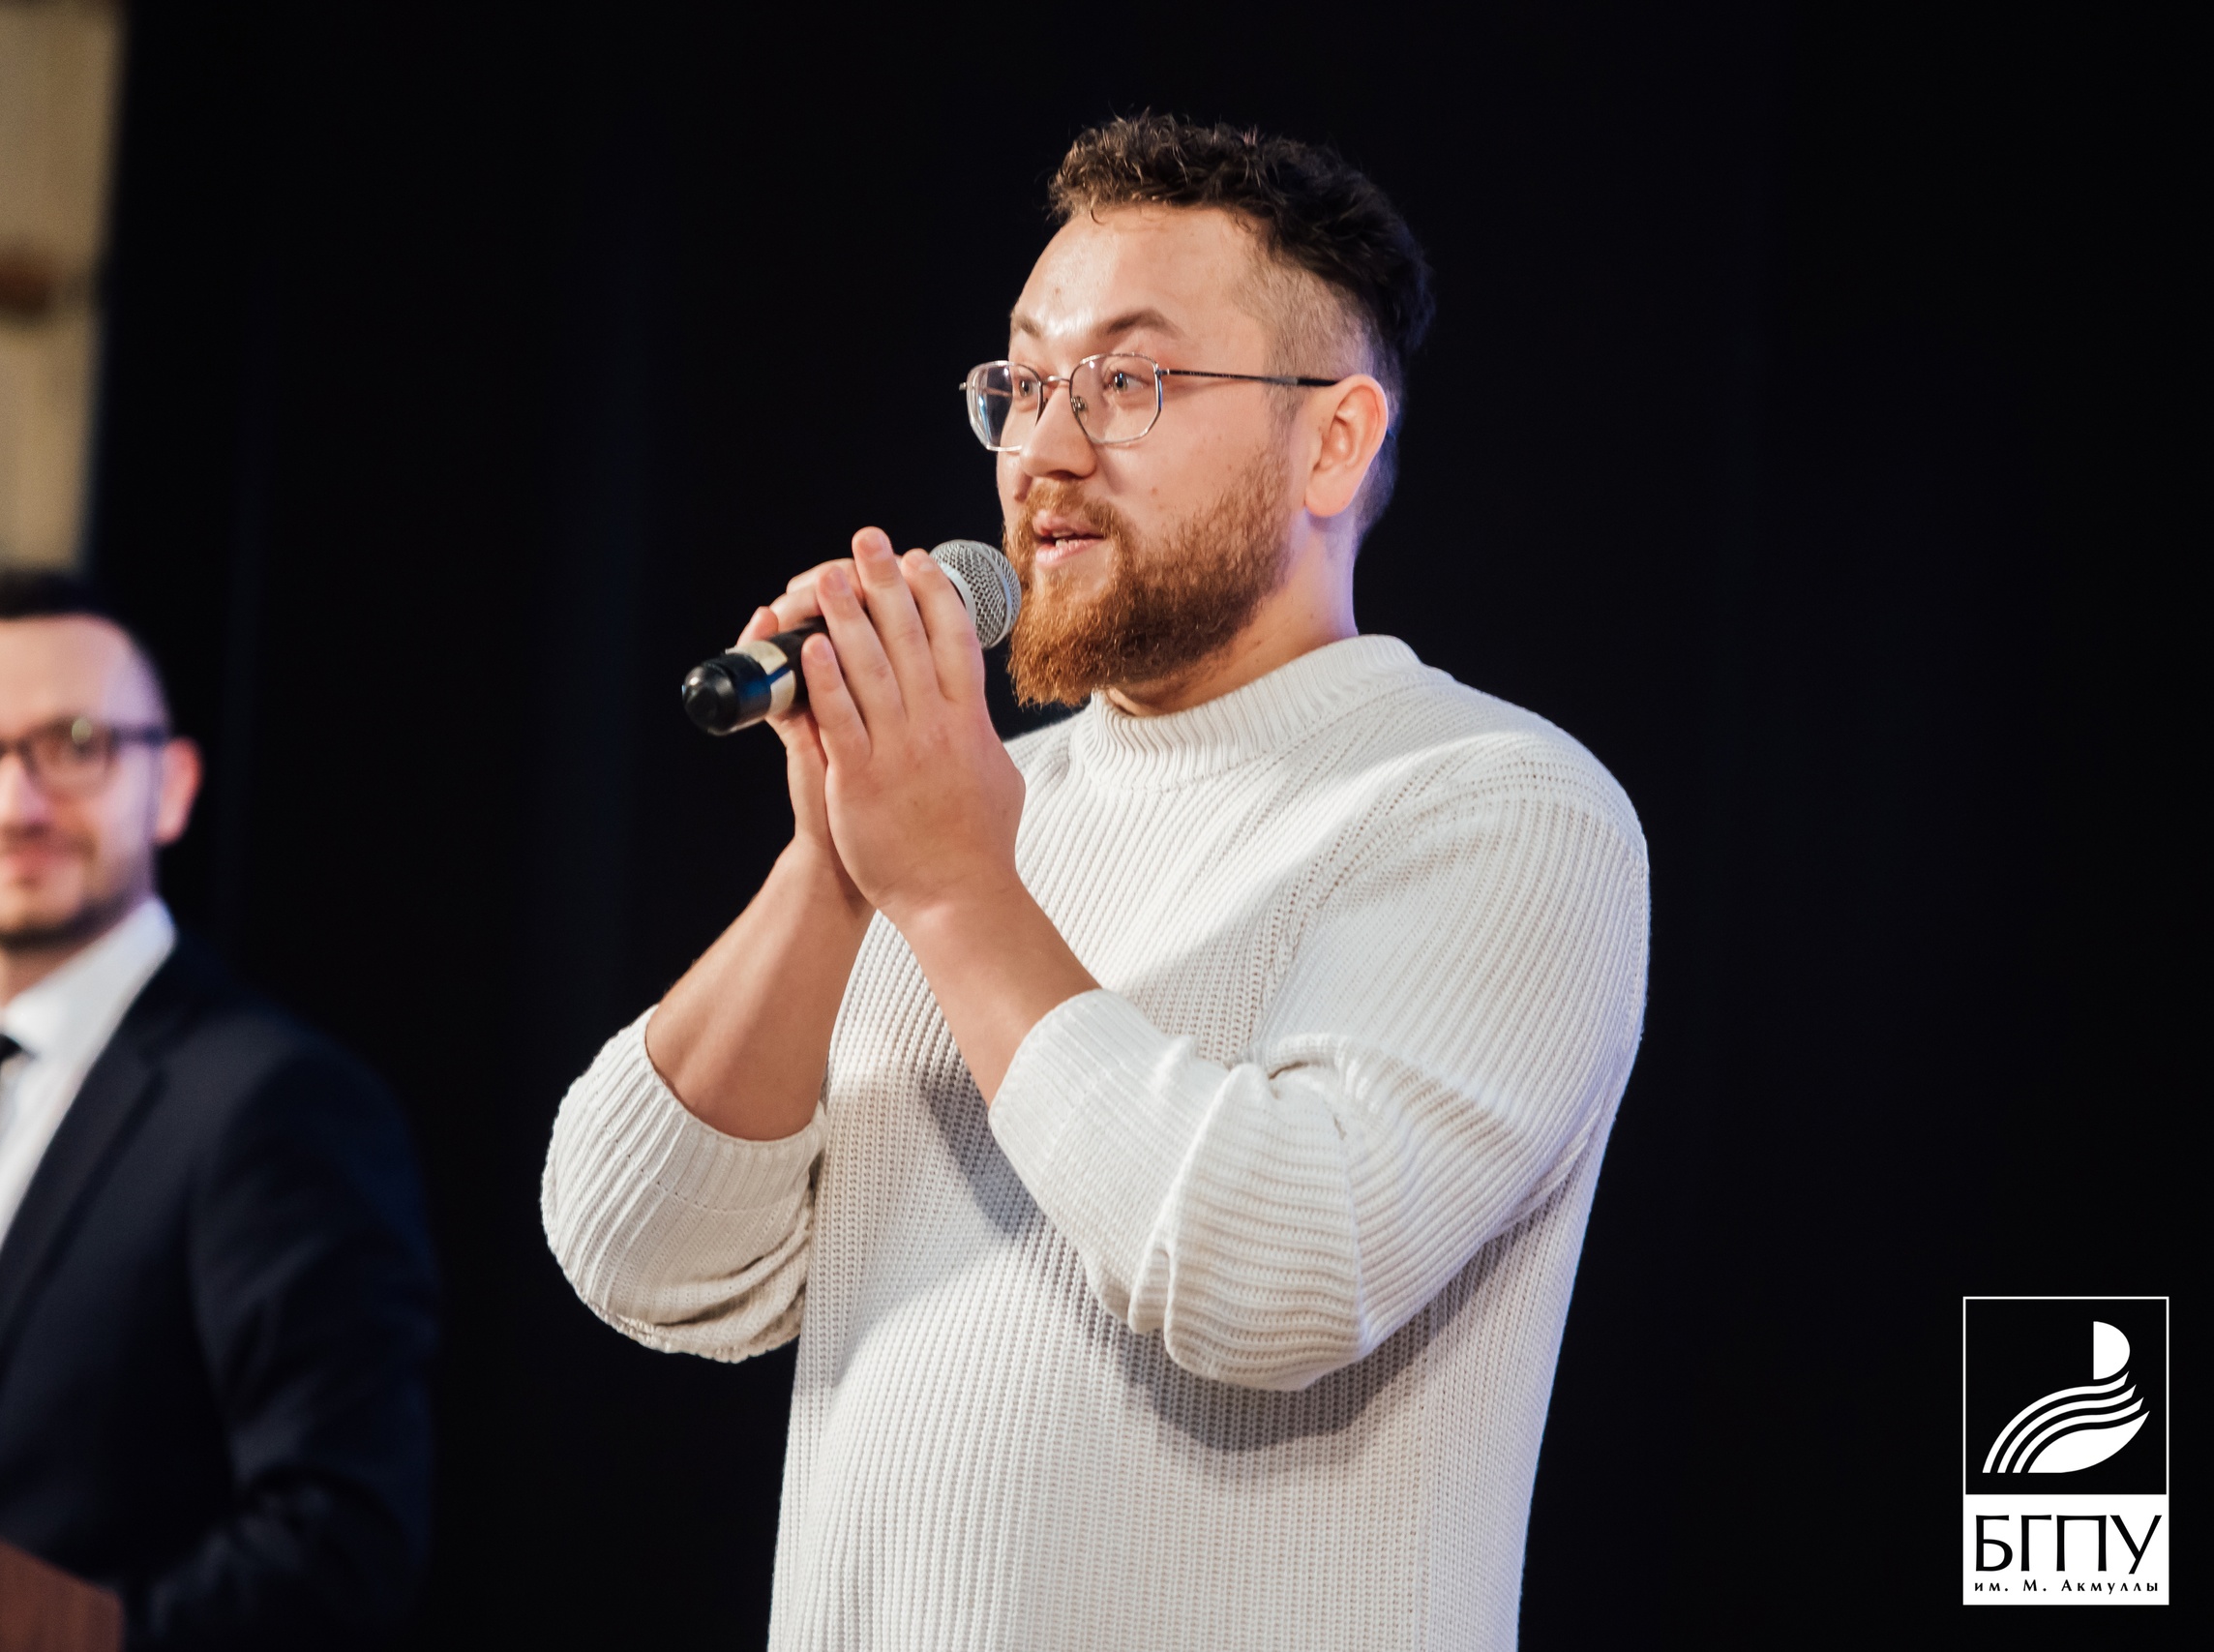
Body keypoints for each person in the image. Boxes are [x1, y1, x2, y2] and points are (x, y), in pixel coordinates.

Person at [542, 115, 1649, 1649]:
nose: (1044, 451)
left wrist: (951, 890)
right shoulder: (968, 813)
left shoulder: (1495, 803)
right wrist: (835, 868)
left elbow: (1276, 1268)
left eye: (1128, 382)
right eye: (1022, 383)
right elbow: (642, 1252)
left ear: (1333, 441)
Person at [0, 568, 438, 1649]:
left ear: (170, 785)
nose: (15, 805)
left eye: (74, 744)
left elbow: (338, 1540)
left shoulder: (276, 1106)